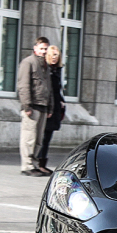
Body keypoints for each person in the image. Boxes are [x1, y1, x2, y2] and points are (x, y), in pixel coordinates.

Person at [17, 36, 52, 177]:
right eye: (42, 48)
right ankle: (27, 165)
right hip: (32, 106)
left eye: (46, 49)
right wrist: (27, 106)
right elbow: (23, 85)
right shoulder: (28, 62)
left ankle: (34, 164)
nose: (44, 51)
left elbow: (49, 88)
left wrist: (50, 107)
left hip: (43, 106)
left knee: (38, 139)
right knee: (28, 137)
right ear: (35, 48)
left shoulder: (45, 65)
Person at [37, 44, 68, 174]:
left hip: (56, 105)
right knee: (43, 136)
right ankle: (39, 163)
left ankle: (42, 162)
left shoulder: (57, 69)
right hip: (48, 105)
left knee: (48, 136)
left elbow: (57, 89)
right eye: (52, 55)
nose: (54, 58)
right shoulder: (47, 70)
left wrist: (62, 101)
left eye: (56, 55)